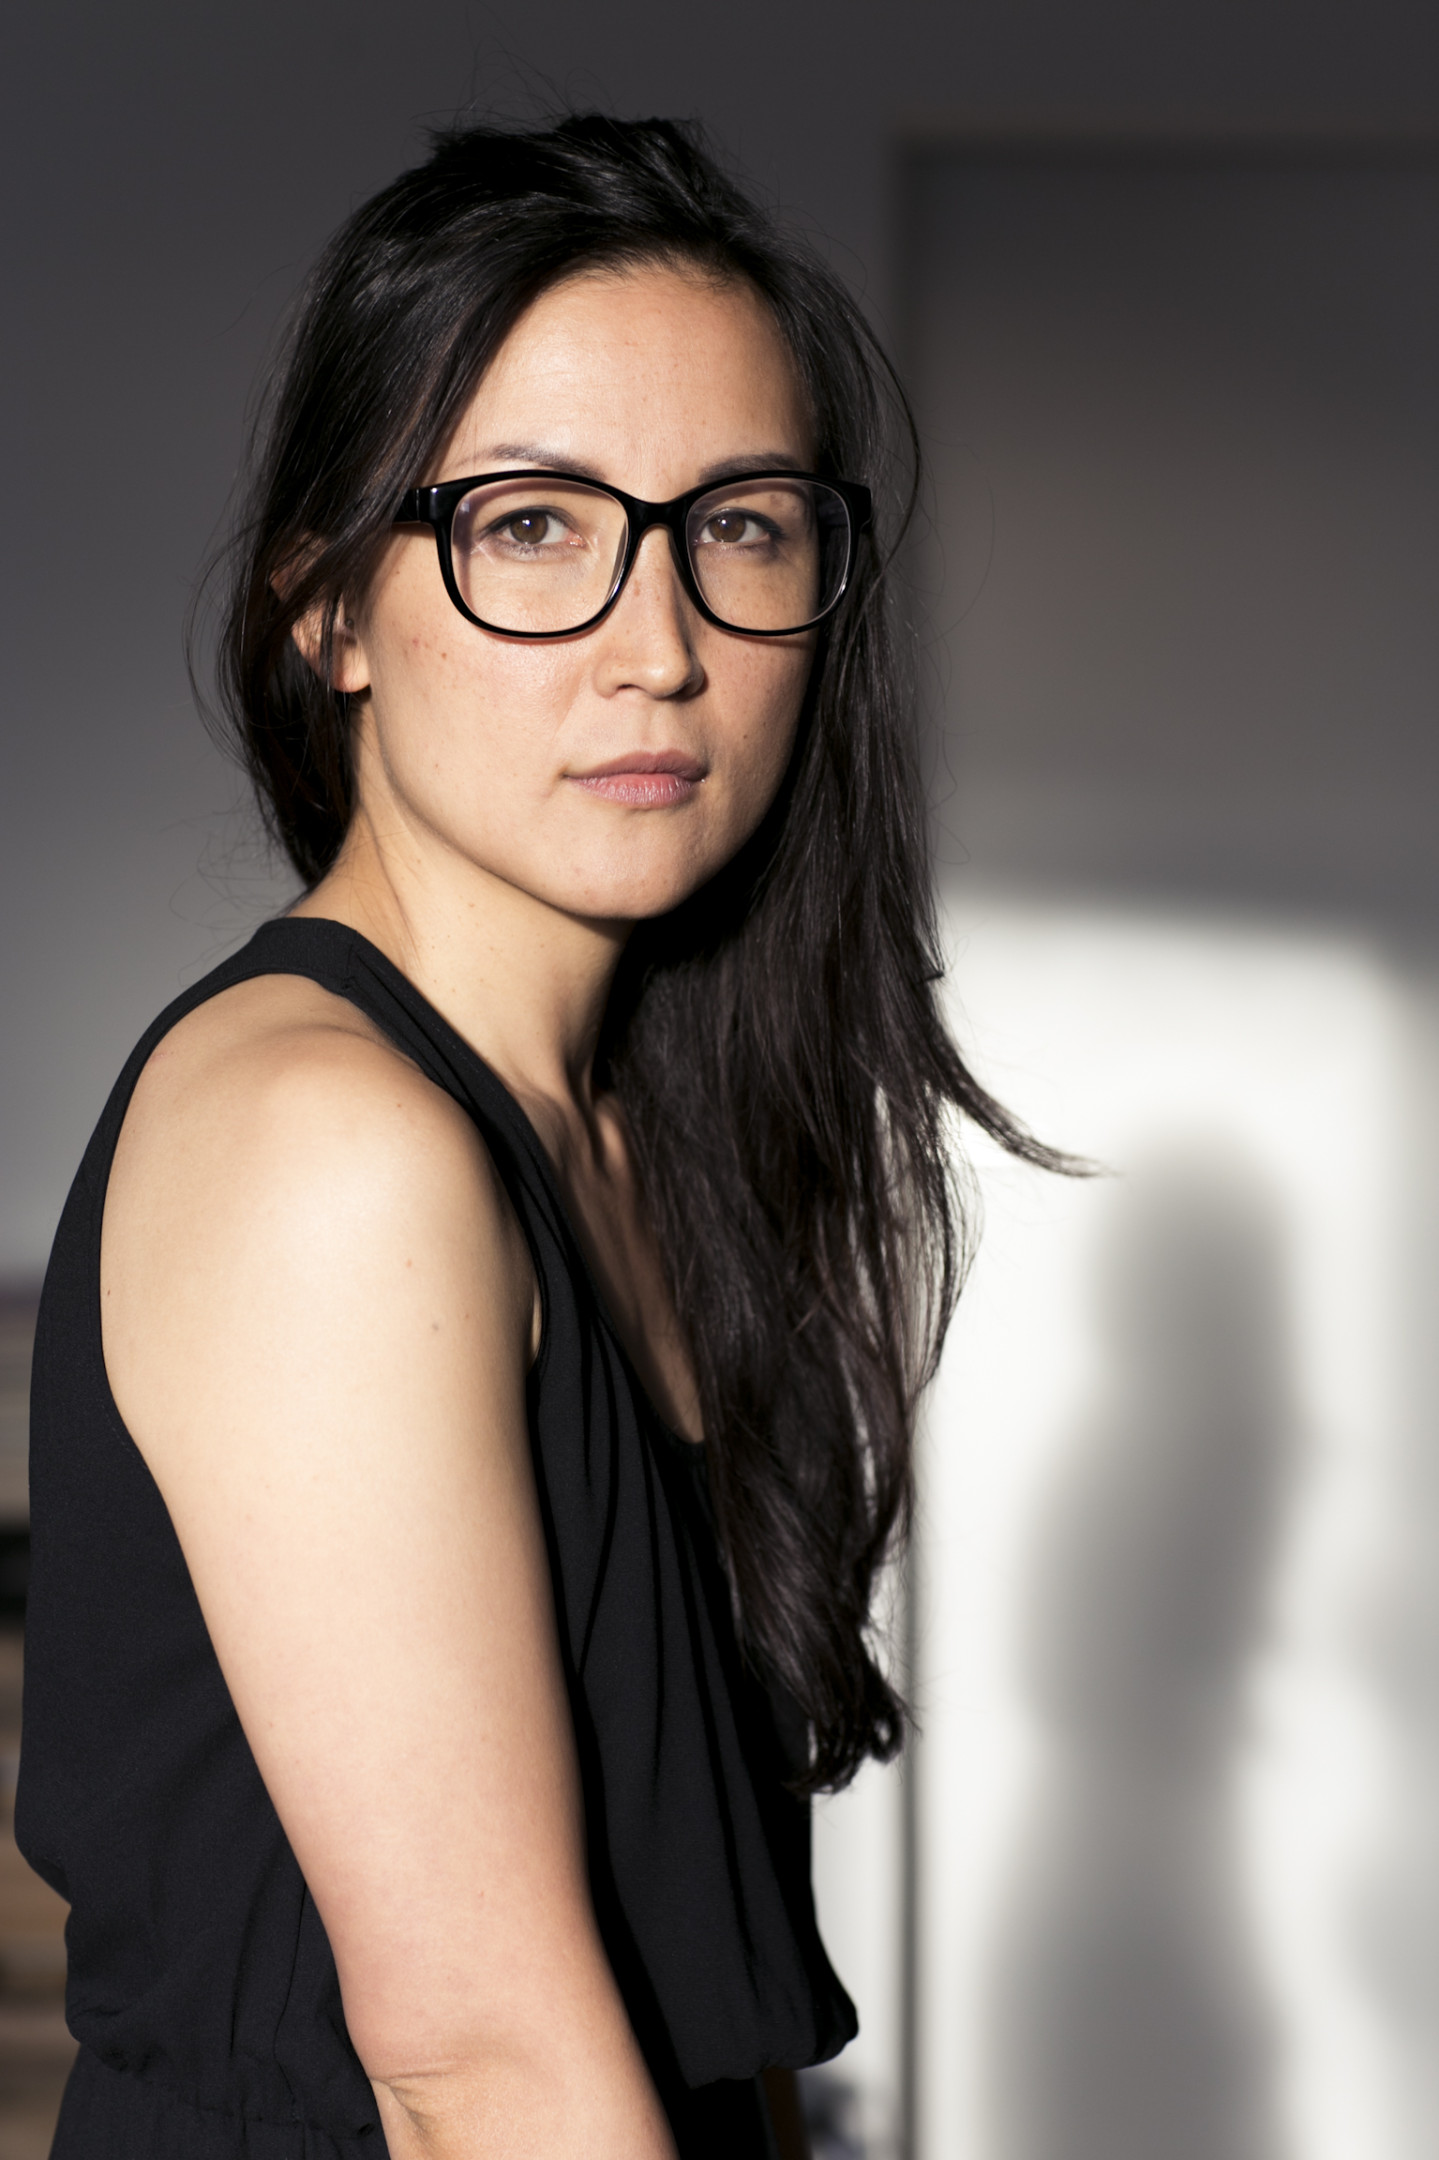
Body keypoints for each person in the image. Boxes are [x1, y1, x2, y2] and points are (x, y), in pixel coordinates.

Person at [18, 114, 1048, 2159]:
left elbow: (696, 2003)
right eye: (534, 525)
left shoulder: (650, 1142)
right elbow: (478, 2073)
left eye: (740, 525)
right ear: (330, 610)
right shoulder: (332, 1147)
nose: (658, 646)